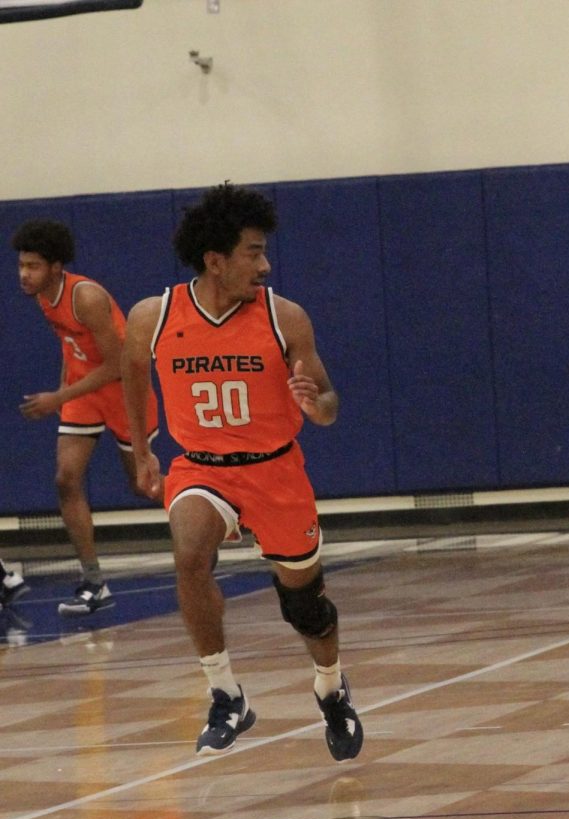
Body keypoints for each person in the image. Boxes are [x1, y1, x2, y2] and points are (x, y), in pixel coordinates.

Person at [121, 182, 363, 760]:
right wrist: (142, 448)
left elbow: (329, 403)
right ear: (216, 260)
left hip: (276, 470)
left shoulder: (286, 317)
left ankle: (331, 687)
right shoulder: (153, 316)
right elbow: (132, 373)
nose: (265, 263)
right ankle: (225, 692)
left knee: (305, 608)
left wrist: (315, 404)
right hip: (202, 469)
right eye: (253, 252)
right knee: (189, 555)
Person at [12, 220, 160, 616]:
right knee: (66, 479)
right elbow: (69, 345)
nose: (24, 274)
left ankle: (210, 513)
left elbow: (116, 365)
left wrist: (58, 396)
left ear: (56, 267)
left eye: (33, 266)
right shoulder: (44, 295)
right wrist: (65, 394)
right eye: (21, 265)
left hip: (124, 390)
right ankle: (94, 583)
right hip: (83, 392)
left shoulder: (87, 297)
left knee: (143, 486)